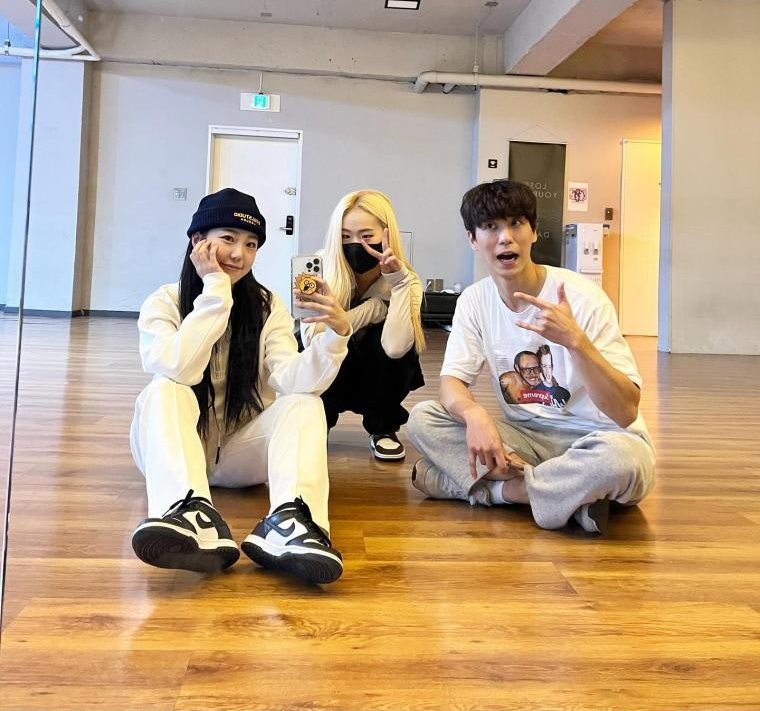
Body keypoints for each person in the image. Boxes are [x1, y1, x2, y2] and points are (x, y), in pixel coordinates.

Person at [407, 179, 655, 535]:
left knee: (620, 462)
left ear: (534, 232)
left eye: (516, 224)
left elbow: (625, 412)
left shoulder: (583, 297)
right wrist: (474, 414)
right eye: (491, 226)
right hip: (525, 439)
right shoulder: (475, 301)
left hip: (599, 439)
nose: (505, 238)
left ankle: (492, 491)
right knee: (423, 418)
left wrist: (576, 342)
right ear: (473, 239)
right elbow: (452, 383)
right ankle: (567, 498)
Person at [130, 188, 352, 583]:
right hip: (173, 448)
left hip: (238, 455)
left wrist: (336, 334)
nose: (239, 254)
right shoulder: (164, 302)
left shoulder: (268, 306)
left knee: (305, 402)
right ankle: (186, 511)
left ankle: (293, 524)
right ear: (198, 241)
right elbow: (178, 368)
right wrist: (215, 291)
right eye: (228, 238)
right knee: (164, 387)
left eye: (251, 244)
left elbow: (292, 381)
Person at [302, 190, 425, 461]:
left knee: (396, 342)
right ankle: (317, 422)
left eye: (366, 236)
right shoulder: (316, 268)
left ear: (386, 234)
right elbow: (311, 338)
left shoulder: (407, 280)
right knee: (318, 345)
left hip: (375, 370)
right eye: (345, 236)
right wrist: (374, 309)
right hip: (333, 370)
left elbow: (395, 348)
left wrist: (399, 284)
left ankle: (383, 427)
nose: (356, 245)